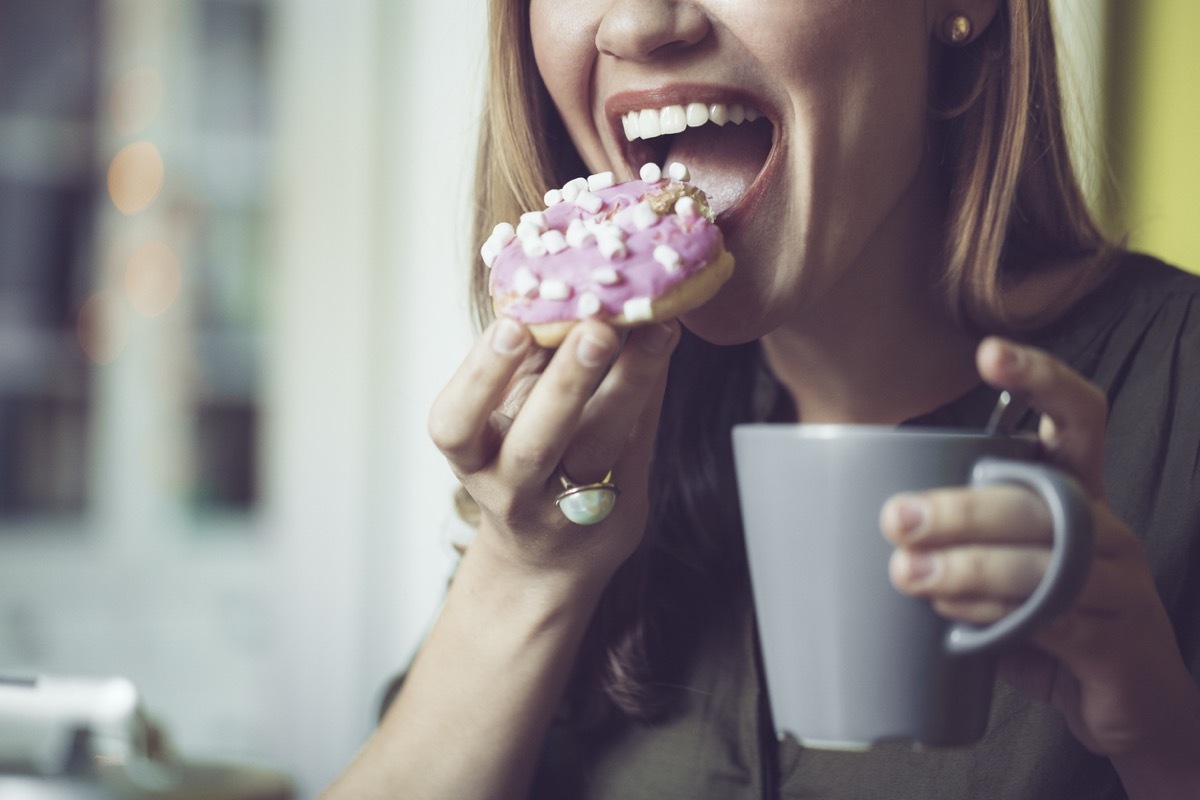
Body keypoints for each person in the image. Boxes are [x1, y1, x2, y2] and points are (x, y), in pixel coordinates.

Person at [322, 0, 1200, 797]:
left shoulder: (1178, 393)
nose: (636, 25)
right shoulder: (588, 454)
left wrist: (1165, 744)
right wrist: (525, 578)